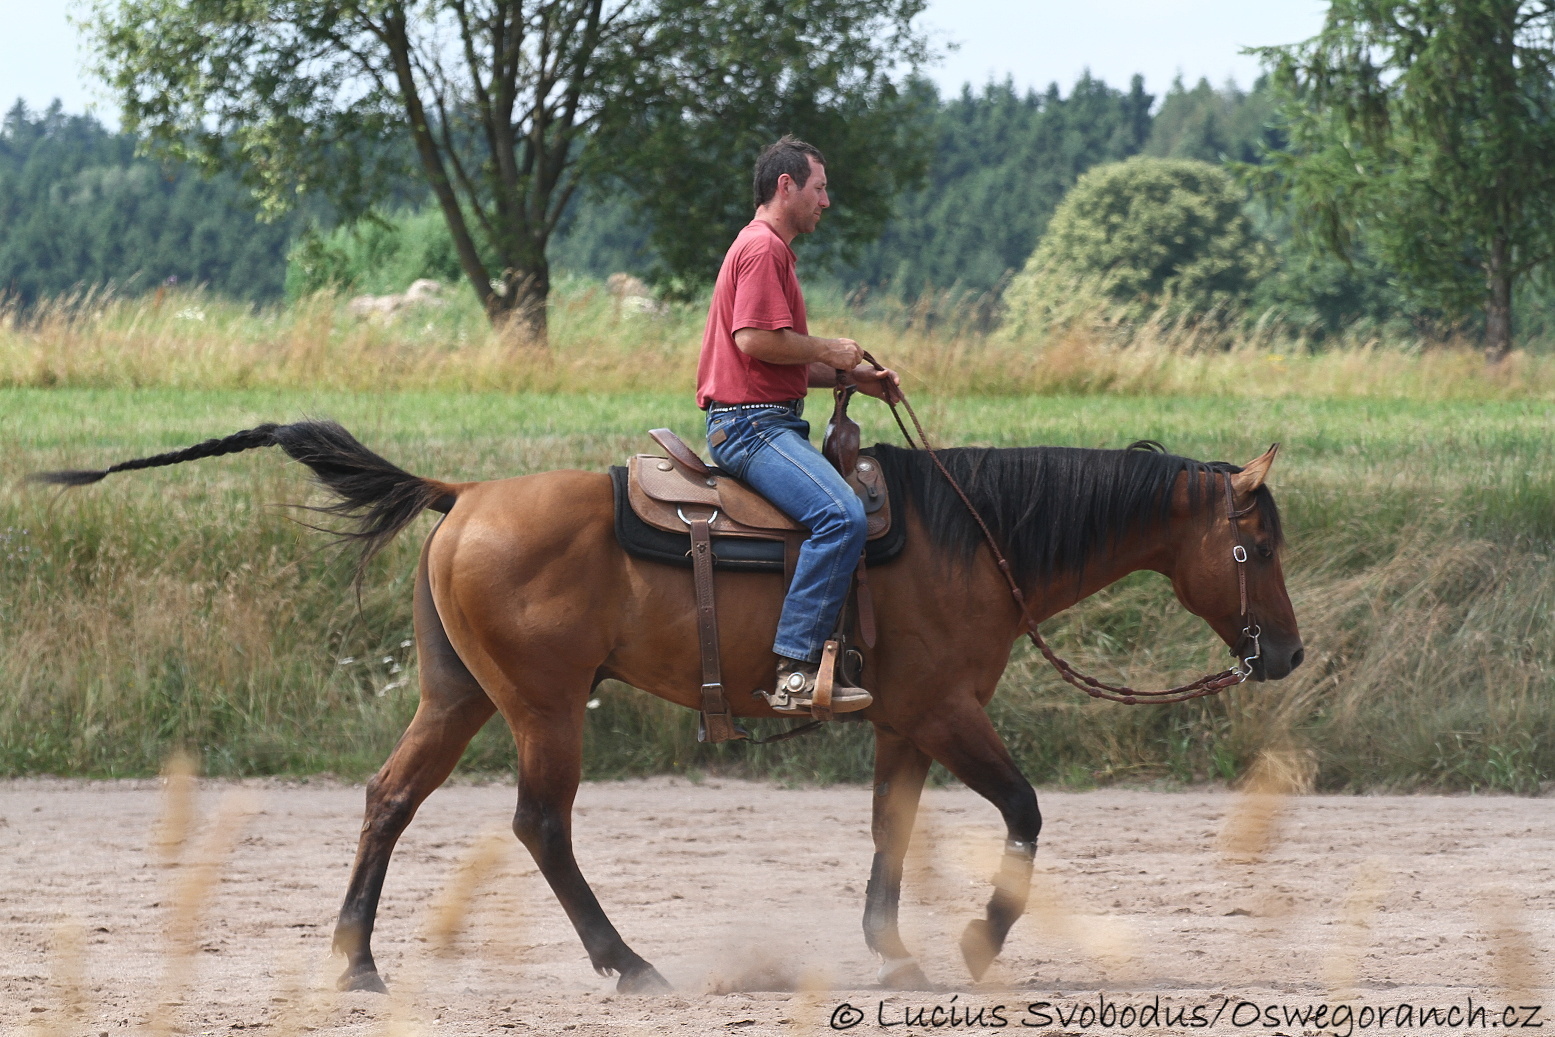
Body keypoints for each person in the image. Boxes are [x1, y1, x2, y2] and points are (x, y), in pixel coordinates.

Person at [696, 135, 900, 716]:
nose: (826, 202)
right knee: (841, 516)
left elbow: (772, 361)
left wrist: (855, 379)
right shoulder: (764, 249)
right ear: (786, 186)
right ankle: (796, 669)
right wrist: (834, 348)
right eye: (819, 188)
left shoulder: (765, 248)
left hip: (760, 415)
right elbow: (755, 340)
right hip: (750, 427)